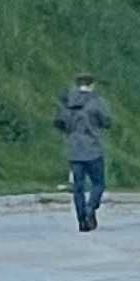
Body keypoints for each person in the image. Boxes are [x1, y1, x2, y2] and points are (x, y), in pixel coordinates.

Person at [54, 76, 111, 231]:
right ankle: (90, 207)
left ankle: (81, 220)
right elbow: (107, 121)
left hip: (73, 150)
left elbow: (59, 123)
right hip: (93, 148)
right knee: (98, 183)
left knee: (78, 187)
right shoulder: (96, 101)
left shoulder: (67, 103)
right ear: (92, 85)